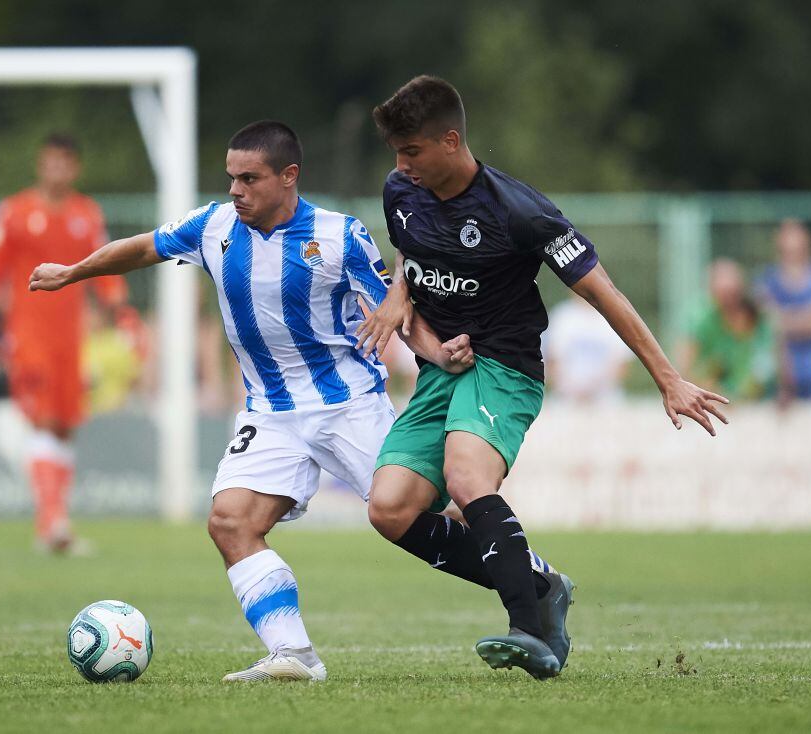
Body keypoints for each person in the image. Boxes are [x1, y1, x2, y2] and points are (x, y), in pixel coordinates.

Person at [29, 121, 480, 682]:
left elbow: (397, 314)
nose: (235, 190)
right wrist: (75, 272)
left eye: (249, 178)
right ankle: (293, 654)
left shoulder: (341, 235)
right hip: (269, 412)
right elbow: (144, 247)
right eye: (230, 178)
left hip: (348, 406)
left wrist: (438, 355)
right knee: (230, 520)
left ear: (288, 177)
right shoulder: (212, 225)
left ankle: (531, 580)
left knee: (416, 516)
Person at [357, 76, 728, 680]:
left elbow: (604, 293)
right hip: (439, 372)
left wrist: (667, 377)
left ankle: (532, 630)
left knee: (465, 475)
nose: (401, 166)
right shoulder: (402, 188)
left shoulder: (519, 212)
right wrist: (400, 292)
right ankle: (540, 584)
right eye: (397, 154)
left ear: (451, 141)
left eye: (412, 151)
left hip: (504, 366)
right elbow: (412, 250)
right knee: (390, 509)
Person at [0, 133, 126, 553]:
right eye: (50, 161)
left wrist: (120, 310)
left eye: (65, 162)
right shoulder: (14, 212)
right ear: (40, 164)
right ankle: (52, 520)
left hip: (71, 338)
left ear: (74, 167)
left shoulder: (86, 213)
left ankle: (54, 522)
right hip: (28, 334)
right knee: (41, 418)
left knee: (64, 425)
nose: (57, 169)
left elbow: (106, 265)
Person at [755, 219, 811, 399]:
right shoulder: (768, 278)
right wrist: (806, 318)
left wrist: (786, 318)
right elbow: (767, 321)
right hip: (778, 369)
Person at [679, 259, 777, 401]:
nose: (729, 301)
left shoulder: (759, 319)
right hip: (709, 396)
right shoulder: (699, 319)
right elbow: (685, 368)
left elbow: (768, 365)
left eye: (733, 293)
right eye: (723, 294)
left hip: (757, 400)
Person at [543, 292, 634, 403]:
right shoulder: (561, 316)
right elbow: (550, 361)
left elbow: (622, 364)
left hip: (605, 399)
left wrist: (596, 387)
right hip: (566, 397)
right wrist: (569, 386)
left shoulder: (614, 315)